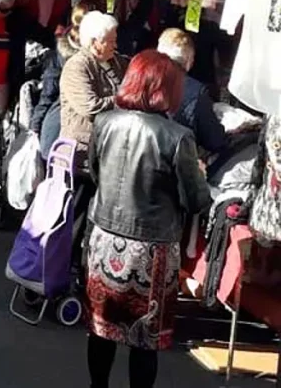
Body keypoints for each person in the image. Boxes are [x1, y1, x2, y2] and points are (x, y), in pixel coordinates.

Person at [85, 50, 211, 388]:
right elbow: (196, 198)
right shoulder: (176, 136)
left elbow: (94, 172)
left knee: (103, 328)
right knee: (145, 339)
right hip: (151, 249)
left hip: (105, 238)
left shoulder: (105, 122)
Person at [60, 10, 127, 267]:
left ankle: (87, 268)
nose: (115, 45)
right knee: (76, 216)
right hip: (81, 155)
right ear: (93, 42)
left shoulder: (117, 62)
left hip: (107, 154)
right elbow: (91, 106)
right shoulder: (77, 66)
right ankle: (66, 268)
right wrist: (124, 99)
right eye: (110, 40)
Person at [157, 28, 228, 157]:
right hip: (178, 162)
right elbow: (215, 140)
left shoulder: (140, 78)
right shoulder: (196, 91)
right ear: (189, 60)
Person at [29, 4, 87, 157]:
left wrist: (34, 127)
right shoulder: (82, 62)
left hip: (59, 128)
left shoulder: (57, 57)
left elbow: (47, 95)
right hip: (62, 126)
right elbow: (49, 94)